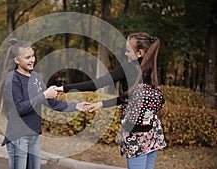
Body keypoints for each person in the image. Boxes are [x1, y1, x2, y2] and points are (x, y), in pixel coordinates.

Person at [55, 32, 166, 169]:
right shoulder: (151, 69)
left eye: (128, 51)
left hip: (135, 131)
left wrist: (64, 88)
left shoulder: (127, 68)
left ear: (140, 53)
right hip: (152, 129)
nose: (125, 54)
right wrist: (99, 104)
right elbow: (128, 99)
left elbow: (95, 85)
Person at [0, 39, 89, 169]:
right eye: (27, 57)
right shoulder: (12, 78)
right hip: (18, 137)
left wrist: (76, 106)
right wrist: (44, 94)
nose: (32, 59)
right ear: (17, 60)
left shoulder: (36, 77)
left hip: (33, 135)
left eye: (33, 55)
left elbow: (50, 102)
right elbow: (20, 108)